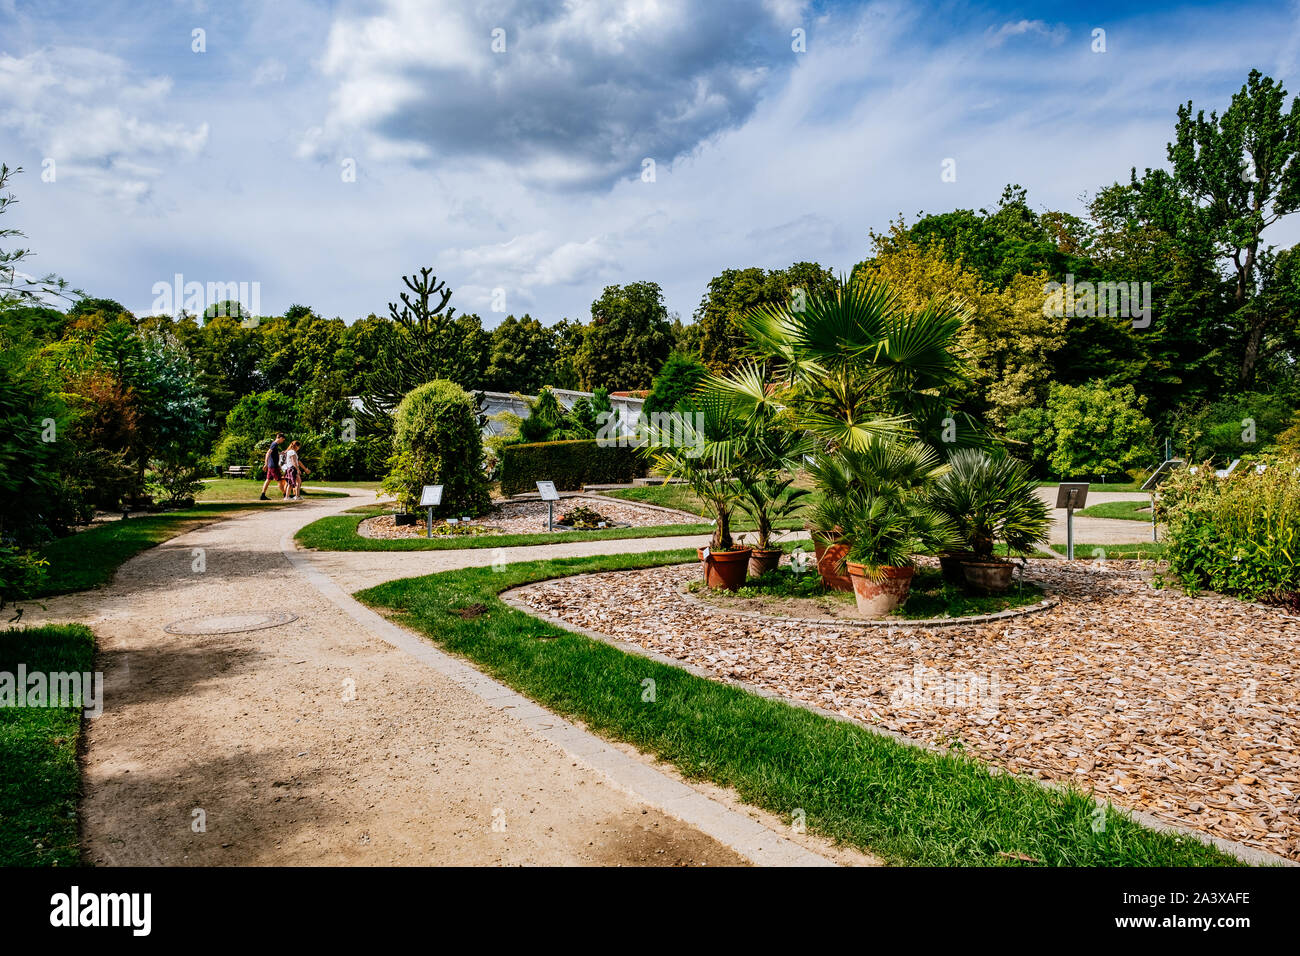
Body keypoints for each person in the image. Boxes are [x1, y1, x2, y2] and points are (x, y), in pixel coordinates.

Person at [259, 432, 286, 501]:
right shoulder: (274, 444)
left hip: (271, 466)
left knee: (268, 480)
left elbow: (273, 454)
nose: (282, 441)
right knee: (279, 480)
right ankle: (285, 495)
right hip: (273, 466)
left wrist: (280, 453)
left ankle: (262, 495)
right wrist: (265, 464)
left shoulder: (275, 445)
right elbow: (268, 453)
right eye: (283, 440)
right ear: (280, 438)